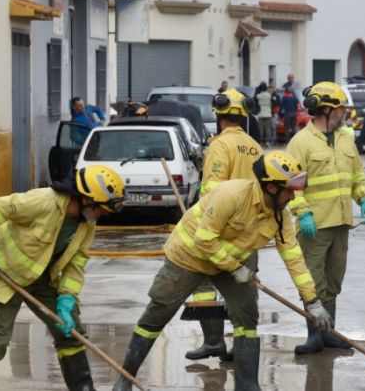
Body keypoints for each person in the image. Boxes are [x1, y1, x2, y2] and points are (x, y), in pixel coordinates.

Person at [110, 152, 332, 391]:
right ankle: (125, 378)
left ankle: (247, 385)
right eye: (288, 190)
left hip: (229, 264)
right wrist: (237, 269)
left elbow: (294, 259)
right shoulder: (232, 195)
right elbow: (204, 240)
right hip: (189, 256)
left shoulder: (280, 217)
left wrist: (312, 302)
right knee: (157, 314)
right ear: (270, 187)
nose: (292, 196)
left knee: (247, 314)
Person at [0, 166, 126, 391]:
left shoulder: (87, 225)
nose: (104, 215)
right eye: (102, 209)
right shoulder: (43, 201)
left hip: (42, 279)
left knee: (72, 333)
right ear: (86, 199)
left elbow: (76, 263)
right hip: (3, 275)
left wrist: (67, 299)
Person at [287, 82, 365, 355]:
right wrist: (303, 214)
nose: (344, 113)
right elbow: (291, 185)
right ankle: (314, 334)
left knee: (334, 280)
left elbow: (356, 174)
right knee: (313, 282)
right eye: (339, 108)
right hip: (314, 225)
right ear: (323, 109)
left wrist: (364, 198)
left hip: (340, 222)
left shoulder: (346, 138)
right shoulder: (301, 142)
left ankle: (329, 332)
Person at [184, 88, 265, 364]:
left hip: (221, 230)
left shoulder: (220, 144)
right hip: (249, 232)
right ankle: (242, 348)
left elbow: (212, 191)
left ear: (219, 115)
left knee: (205, 283)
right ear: (242, 116)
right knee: (242, 290)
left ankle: (214, 341)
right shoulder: (255, 146)